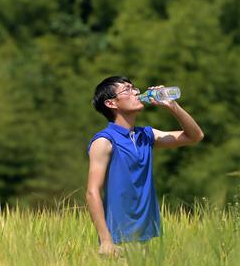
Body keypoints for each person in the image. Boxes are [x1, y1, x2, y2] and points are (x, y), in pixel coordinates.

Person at [86, 76, 204, 256]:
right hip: (117, 242)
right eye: (127, 89)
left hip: (144, 238)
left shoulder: (146, 135)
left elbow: (195, 136)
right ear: (111, 103)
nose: (136, 92)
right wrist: (106, 241)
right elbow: (92, 192)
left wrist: (172, 106)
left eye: (134, 88)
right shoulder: (104, 141)